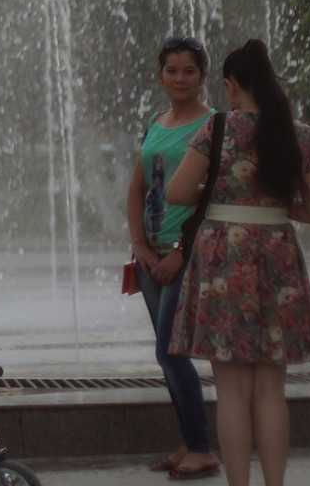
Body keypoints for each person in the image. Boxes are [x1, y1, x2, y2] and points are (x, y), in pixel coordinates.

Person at [165, 39, 310, 486]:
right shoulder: (299, 134)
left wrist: (219, 196)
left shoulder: (216, 129)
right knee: (272, 390)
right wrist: (274, 209)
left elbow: (176, 193)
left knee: (232, 392)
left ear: (230, 85)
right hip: (277, 254)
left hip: (223, 256)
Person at [125, 35, 219, 481]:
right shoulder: (156, 122)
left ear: (203, 76)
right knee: (168, 353)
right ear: (160, 74)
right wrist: (140, 245)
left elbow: (215, 198)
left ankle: (202, 448)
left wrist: (181, 252)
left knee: (171, 350)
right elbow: (136, 188)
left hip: (188, 254)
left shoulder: (215, 125)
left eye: (189, 71)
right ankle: (190, 439)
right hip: (150, 255)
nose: (179, 78)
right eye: (172, 70)